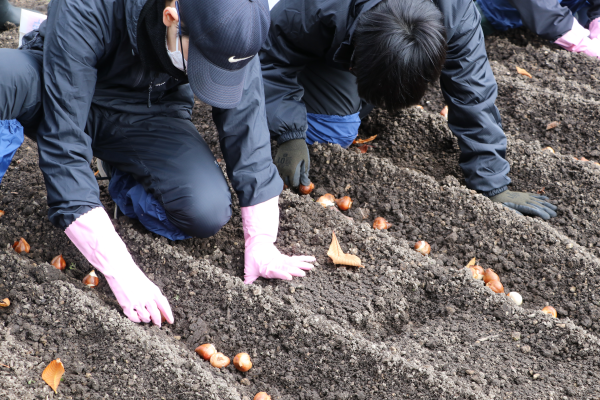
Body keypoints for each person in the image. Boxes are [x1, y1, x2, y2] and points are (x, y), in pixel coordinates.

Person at [0, 0, 315, 327]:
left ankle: (122, 173)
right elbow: (65, 138)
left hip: (148, 110)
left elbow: (246, 115)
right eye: (202, 62)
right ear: (171, 17)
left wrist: (261, 239)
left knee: (206, 209)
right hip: (54, 84)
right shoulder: (88, 6)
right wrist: (121, 270)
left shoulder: (232, 20)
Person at [260, 0, 558, 220]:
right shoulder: (311, 9)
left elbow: (473, 92)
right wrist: (289, 133)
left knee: (348, 119)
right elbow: (269, 56)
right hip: (308, 36)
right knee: (333, 131)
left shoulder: (456, 14)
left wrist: (493, 184)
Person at [475, 0, 600, 59]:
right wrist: (580, 42)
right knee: (464, 32)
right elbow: (536, 4)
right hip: (497, 11)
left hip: (563, 7)